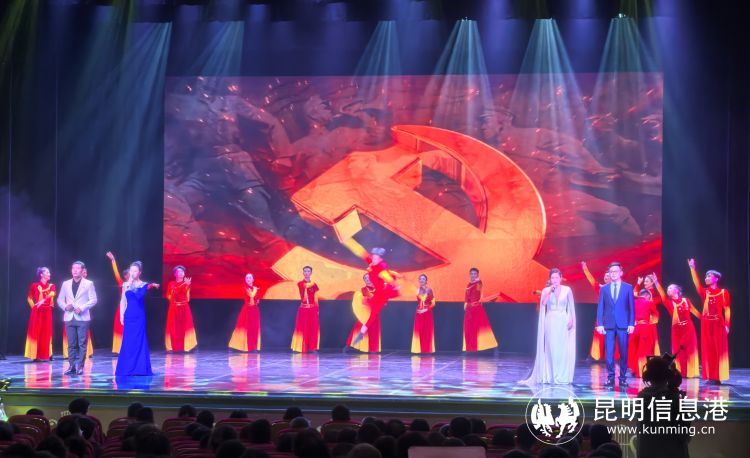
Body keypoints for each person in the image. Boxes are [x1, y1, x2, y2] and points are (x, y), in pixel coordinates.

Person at [521, 268, 576, 384]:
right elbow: (543, 303)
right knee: (551, 347)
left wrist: (572, 319)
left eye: (557, 277)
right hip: (550, 320)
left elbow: (571, 306)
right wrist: (550, 290)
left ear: (561, 278)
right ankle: (550, 375)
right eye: (552, 278)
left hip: (563, 320)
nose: (555, 280)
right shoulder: (546, 290)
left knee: (562, 348)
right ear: (550, 279)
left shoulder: (567, 290)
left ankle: (562, 375)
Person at [342, 240, 399, 347]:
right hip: (375, 297)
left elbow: (388, 277)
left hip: (381, 294)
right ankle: (360, 335)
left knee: (372, 316)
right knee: (370, 317)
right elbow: (361, 252)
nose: (374, 259)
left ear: (380, 259)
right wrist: (348, 242)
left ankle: (361, 335)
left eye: (377, 258)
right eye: (374, 257)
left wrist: (394, 283)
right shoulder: (372, 262)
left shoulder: (381, 268)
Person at [637, 354, 691, 458]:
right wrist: (679, 399)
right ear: (668, 376)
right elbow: (684, 434)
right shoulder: (673, 399)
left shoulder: (641, 397)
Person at [688, 258, 731, 383]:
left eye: (709, 276)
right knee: (708, 349)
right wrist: (692, 269)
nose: (706, 278)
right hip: (706, 323)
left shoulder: (723, 292)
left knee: (719, 349)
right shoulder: (705, 292)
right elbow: (696, 284)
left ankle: (718, 376)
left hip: (718, 323)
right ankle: (710, 376)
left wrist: (727, 325)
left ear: (716, 279)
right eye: (706, 276)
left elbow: (727, 309)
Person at [116, 261, 159, 376]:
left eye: (135, 271)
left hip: (139, 316)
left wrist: (131, 285)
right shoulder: (125, 284)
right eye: (131, 270)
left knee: (139, 340)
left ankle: (140, 369)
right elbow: (123, 301)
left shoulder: (143, 285)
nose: (132, 273)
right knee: (128, 341)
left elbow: (139, 296)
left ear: (139, 272)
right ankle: (127, 368)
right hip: (128, 315)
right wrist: (121, 315)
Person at [595, 262, 634, 386]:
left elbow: (631, 307)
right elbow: (600, 307)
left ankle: (622, 378)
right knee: (609, 354)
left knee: (623, 353)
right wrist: (600, 324)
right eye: (611, 272)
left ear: (621, 273)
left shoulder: (628, 287)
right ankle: (610, 377)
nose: (613, 274)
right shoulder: (604, 288)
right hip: (609, 325)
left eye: (615, 271)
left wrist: (631, 324)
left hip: (623, 325)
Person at [57, 261, 98, 375]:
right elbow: (60, 299)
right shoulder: (65, 284)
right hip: (69, 317)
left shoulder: (88, 283)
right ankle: (71, 366)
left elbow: (94, 299)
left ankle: (80, 366)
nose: (75, 270)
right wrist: (66, 306)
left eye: (78, 268)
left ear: (82, 270)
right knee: (71, 344)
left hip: (82, 317)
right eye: (73, 268)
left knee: (82, 343)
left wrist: (82, 308)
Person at [654, 280, 700, 378]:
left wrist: (703, 319)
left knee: (690, 349)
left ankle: (691, 372)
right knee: (678, 350)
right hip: (676, 329)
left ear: (677, 290)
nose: (668, 290)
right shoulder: (668, 303)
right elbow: (662, 295)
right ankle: (680, 371)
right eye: (667, 289)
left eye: (670, 288)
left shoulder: (686, 300)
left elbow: (694, 311)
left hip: (688, 328)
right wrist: (657, 283)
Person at [581, 261, 617, 362]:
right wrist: (585, 269)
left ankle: (612, 357)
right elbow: (592, 280)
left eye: (608, 276)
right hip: (602, 316)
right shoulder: (601, 288)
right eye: (605, 276)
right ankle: (594, 356)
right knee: (598, 336)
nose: (606, 277)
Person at [463, 268, 498, 352]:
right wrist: (466, 303)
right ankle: (470, 348)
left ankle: (476, 349)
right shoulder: (468, 284)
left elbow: (477, 295)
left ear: (477, 275)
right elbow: (467, 297)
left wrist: (471, 304)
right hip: (469, 309)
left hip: (475, 308)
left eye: (475, 274)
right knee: (468, 328)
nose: (473, 275)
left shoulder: (478, 283)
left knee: (478, 328)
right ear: (469, 275)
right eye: (471, 274)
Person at [628, 289, 661, 378]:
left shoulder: (633, 302)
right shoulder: (649, 302)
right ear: (647, 295)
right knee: (644, 350)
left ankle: (633, 369)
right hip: (645, 327)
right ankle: (641, 371)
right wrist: (651, 322)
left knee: (634, 349)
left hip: (634, 328)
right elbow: (656, 315)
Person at [25, 267, 56, 361]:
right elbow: (29, 298)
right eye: (47, 272)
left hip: (47, 311)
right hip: (37, 312)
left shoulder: (51, 285)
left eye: (49, 272)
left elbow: (52, 294)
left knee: (47, 332)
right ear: (41, 274)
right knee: (36, 332)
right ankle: (34, 355)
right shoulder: (34, 285)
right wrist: (34, 307)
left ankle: (48, 353)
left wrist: (43, 300)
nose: (49, 274)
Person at [165, 266, 197, 352]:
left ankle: (189, 346)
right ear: (175, 274)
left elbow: (187, 297)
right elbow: (170, 295)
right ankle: (172, 347)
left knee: (186, 326)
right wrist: (184, 285)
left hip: (184, 307)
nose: (181, 273)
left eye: (182, 272)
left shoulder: (186, 283)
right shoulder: (171, 284)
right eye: (179, 272)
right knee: (173, 327)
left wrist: (187, 285)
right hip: (174, 308)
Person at [345, 274, 379, 352]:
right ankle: (349, 346)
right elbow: (362, 302)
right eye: (365, 279)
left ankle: (372, 349)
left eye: (369, 278)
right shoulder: (363, 290)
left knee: (373, 330)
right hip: (364, 313)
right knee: (358, 328)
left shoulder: (378, 290)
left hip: (374, 313)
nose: (367, 280)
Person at [228, 273, 262, 352]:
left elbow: (257, 300)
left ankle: (253, 347)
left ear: (253, 279)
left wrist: (256, 297)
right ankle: (236, 346)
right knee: (242, 327)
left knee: (254, 328)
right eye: (246, 278)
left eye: (250, 278)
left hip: (254, 311)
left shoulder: (256, 289)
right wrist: (255, 292)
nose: (248, 279)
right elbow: (249, 297)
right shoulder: (245, 288)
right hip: (247, 310)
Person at [291, 266, 320, 352]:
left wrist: (317, 309)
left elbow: (316, 298)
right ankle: (300, 347)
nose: (307, 273)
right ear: (303, 273)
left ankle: (312, 347)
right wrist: (312, 284)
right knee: (302, 328)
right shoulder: (300, 284)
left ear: (311, 273)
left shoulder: (314, 285)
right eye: (305, 271)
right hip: (303, 309)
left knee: (313, 328)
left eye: (308, 271)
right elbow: (305, 286)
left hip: (312, 309)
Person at [106, 251, 129, 354]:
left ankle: (129, 347)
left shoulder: (136, 284)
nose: (128, 276)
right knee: (119, 327)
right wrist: (113, 260)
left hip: (132, 307)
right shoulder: (122, 284)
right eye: (126, 275)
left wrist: (151, 285)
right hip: (122, 307)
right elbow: (116, 274)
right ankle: (118, 348)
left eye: (130, 274)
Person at [411, 274, 436, 354]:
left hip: (427, 312)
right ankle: (417, 349)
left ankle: (427, 349)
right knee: (418, 330)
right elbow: (419, 301)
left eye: (423, 279)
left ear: (426, 281)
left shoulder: (429, 290)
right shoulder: (417, 290)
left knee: (427, 331)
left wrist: (426, 309)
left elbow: (433, 303)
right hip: (419, 312)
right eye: (420, 279)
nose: (421, 280)